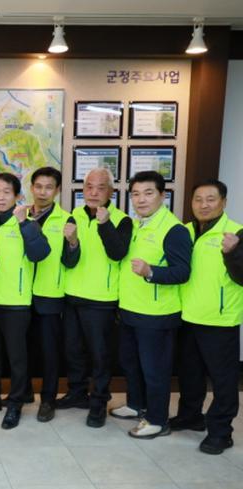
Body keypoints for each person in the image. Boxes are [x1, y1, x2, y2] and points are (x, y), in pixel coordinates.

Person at [112, 171, 191, 439]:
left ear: (162, 195)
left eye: (148, 193)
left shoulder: (173, 229)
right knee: (131, 364)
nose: (141, 199)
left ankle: (157, 419)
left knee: (155, 370)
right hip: (131, 309)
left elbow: (183, 271)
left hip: (157, 315)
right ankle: (136, 405)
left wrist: (151, 272)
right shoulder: (137, 224)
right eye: (135, 194)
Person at [0, 172, 49, 429]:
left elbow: (40, 253)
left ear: (17, 196)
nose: (1, 197)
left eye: (7, 192)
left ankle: (15, 403)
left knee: (17, 359)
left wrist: (25, 224)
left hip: (16, 303)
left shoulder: (28, 223)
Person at [170, 179, 243, 454]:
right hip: (188, 316)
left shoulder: (236, 232)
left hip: (219, 319)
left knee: (223, 380)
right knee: (190, 373)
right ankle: (190, 416)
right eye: (198, 199)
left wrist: (232, 253)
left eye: (211, 199)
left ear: (224, 202)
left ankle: (221, 432)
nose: (203, 205)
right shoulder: (186, 231)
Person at [58, 168, 131, 428]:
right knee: (73, 351)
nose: (93, 192)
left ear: (111, 192)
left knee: (100, 355)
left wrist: (105, 224)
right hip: (73, 295)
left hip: (102, 299)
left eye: (100, 187)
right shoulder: (74, 216)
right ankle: (77, 393)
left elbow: (117, 253)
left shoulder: (122, 220)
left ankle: (99, 401)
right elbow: (68, 260)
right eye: (89, 186)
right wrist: (72, 242)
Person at [28, 167, 70, 422]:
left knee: (49, 353)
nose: (42, 192)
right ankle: (22, 393)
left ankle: (47, 400)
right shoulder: (19, 216)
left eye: (49, 187)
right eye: (38, 186)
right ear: (31, 188)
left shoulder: (67, 220)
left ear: (57, 190)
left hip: (50, 296)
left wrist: (73, 243)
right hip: (20, 295)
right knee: (22, 350)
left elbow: (71, 259)